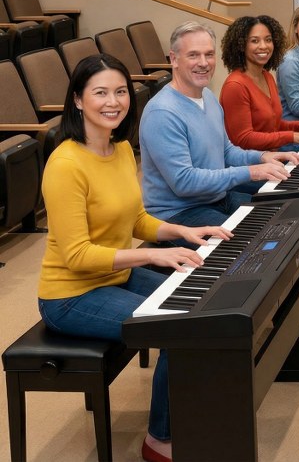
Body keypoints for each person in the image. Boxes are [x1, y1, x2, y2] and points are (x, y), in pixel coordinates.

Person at [38, 53, 232, 462]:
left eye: (121, 91)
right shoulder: (65, 164)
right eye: (100, 93)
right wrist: (150, 259)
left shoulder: (121, 148)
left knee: (202, 301)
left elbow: (137, 218)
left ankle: (194, 412)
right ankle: (160, 439)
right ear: (77, 100)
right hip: (71, 294)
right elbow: (76, 256)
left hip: (113, 276)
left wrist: (183, 232)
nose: (113, 101)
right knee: (179, 328)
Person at [140, 21, 298, 227]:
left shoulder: (207, 96)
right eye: (193, 55)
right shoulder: (162, 112)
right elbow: (184, 182)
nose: (204, 63)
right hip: (180, 212)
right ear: (174, 59)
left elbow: (226, 152)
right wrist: (251, 171)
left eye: (209, 54)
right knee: (251, 244)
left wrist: (262, 156)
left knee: (284, 216)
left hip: (217, 198)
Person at [219, 14, 299, 151]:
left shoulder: (267, 76)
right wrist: (291, 136)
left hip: (273, 161)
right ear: (241, 45)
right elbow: (243, 139)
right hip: (251, 167)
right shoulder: (235, 86)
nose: (263, 46)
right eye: (255, 41)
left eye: (268, 40)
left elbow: (272, 125)